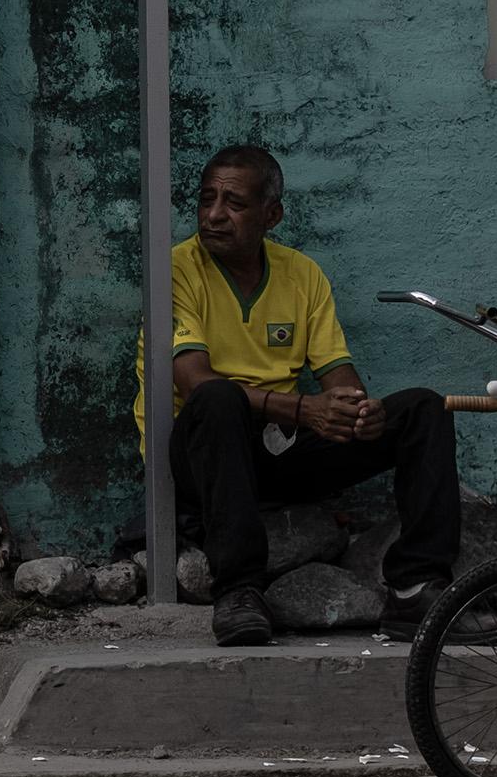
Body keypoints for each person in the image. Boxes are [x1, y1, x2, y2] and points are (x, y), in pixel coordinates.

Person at [137, 144, 463, 648]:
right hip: (204, 456)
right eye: (206, 201)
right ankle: (239, 590)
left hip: (279, 446)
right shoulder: (176, 271)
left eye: (234, 204)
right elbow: (194, 382)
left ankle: (415, 590)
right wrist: (302, 409)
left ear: (271, 215)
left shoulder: (302, 274)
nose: (214, 216)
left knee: (424, 409)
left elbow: (338, 375)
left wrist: (359, 412)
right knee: (218, 399)